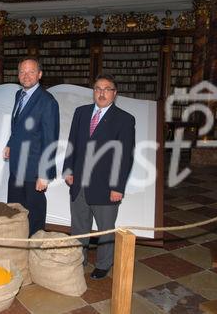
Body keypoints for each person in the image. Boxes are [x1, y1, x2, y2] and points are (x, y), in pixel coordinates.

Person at [63, 74, 135, 280]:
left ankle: (103, 264)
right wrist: (68, 170)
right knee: (79, 226)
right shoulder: (81, 113)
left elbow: (125, 157)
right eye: (97, 88)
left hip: (106, 187)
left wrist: (118, 187)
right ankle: (79, 259)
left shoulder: (125, 119)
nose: (101, 93)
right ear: (93, 91)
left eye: (107, 89)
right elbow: (71, 144)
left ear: (115, 93)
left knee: (105, 229)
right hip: (78, 184)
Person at [3, 57, 60, 237]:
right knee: (14, 212)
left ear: (40, 74)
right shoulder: (18, 95)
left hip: (34, 169)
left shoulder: (48, 102)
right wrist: (10, 144)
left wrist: (44, 175)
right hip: (16, 167)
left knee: (34, 216)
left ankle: (34, 248)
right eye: (22, 72)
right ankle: (17, 247)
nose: (26, 76)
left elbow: (51, 140)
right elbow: (17, 125)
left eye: (31, 72)